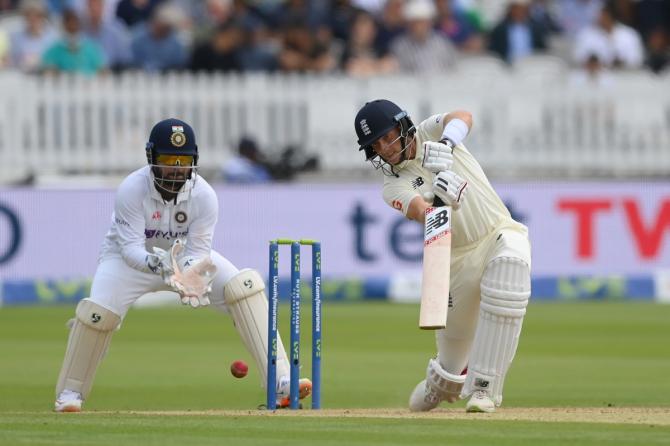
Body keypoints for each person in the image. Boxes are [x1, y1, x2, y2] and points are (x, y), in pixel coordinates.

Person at [54, 118, 311, 412]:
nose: (176, 168)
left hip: (186, 258)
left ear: (194, 161)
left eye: (183, 160)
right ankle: (70, 393)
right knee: (97, 313)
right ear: (152, 159)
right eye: (168, 160)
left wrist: (186, 274)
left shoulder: (204, 195)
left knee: (243, 286)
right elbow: (129, 250)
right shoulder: (132, 189)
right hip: (131, 262)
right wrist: (160, 264)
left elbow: (199, 252)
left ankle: (281, 382)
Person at [353, 99, 531, 413]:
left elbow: (464, 115)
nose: (385, 147)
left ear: (403, 125)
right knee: (450, 365)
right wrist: (443, 200)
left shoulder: (431, 132)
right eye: (376, 144)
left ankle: (483, 391)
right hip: (456, 260)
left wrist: (447, 144)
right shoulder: (393, 185)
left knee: (510, 269)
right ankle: (440, 383)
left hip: (498, 232)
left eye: (387, 135)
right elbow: (422, 212)